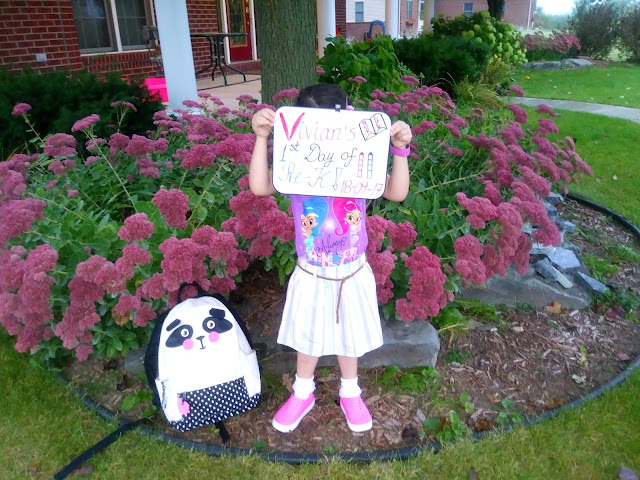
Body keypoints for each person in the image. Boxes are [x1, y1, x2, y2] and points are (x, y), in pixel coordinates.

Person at [249, 83, 412, 433]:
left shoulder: (358, 166)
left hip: (351, 271)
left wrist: (400, 150)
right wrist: (261, 138)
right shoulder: (297, 165)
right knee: (308, 334)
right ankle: (303, 391)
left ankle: (350, 391)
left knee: (348, 334)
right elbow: (260, 186)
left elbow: (396, 192)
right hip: (312, 271)